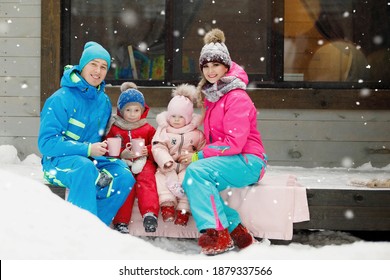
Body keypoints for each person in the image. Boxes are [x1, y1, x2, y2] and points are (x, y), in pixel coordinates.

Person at [180, 29, 268, 255]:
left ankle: (218, 235)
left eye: (215, 65)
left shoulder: (236, 96)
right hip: (231, 160)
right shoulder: (214, 96)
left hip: (248, 160)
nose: (210, 71)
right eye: (206, 66)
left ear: (226, 67)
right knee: (194, 182)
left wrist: (199, 156)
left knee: (196, 173)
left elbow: (234, 142)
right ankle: (237, 231)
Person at [38, 41, 135, 226]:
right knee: (85, 168)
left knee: (123, 175)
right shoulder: (60, 99)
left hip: (91, 159)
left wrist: (116, 150)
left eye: (103, 67)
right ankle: (80, 230)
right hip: (57, 161)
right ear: (82, 66)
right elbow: (46, 143)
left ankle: (97, 228)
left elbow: (99, 139)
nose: (98, 71)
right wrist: (88, 149)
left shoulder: (104, 101)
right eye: (93, 64)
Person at [105, 82, 159, 233]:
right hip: (122, 163)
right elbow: (107, 145)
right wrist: (122, 152)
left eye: (136, 110)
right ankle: (121, 222)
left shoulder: (147, 128)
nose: (132, 114)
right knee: (126, 184)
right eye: (128, 110)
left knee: (146, 179)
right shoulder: (115, 128)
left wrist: (146, 150)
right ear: (121, 111)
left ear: (142, 110)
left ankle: (150, 214)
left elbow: (157, 145)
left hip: (143, 162)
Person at [152, 84, 206, 226]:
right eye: (173, 116)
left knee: (187, 182)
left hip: (186, 166)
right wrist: (166, 161)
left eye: (180, 117)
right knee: (162, 181)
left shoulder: (196, 134)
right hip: (167, 167)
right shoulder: (164, 131)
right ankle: (167, 206)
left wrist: (194, 155)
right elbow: (158, 147)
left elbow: (203, 149)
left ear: (188, 118)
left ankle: (183, 211)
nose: (176, 120)